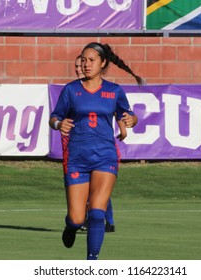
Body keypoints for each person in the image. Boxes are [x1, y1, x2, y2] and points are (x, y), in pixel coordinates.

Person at [49, 42, 142, 260]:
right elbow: (55, 116)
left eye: (91, 60)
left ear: (103, 63)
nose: (86, 64)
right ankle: (71, 226)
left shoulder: (114, 91)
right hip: (77, 158)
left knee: (97, 212)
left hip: (104, 156)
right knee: (77, 218)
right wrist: (57, 124)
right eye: (83, 59)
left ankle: (92, 263)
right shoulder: (71, 90)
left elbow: (129, 116)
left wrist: (132, 119)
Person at [74, 54, 124, 233]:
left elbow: (117, 110)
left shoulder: (105, 90)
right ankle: (102, 220)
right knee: (91, 186)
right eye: (78, 66)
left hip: (101, 146)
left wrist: (123, 128)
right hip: (80, 145)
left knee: (97, 186)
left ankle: (102, 220)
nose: (79, 68)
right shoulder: (73, 90)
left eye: (82, 65)